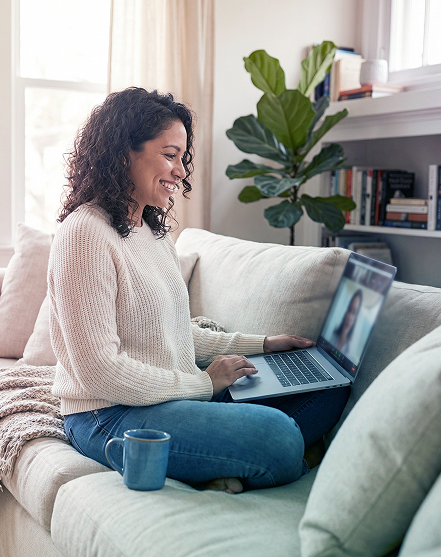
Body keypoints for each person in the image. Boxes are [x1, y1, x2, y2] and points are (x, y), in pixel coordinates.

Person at [48, 87, 350, 494]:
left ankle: (239, 464)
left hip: (172, 397)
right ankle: (282, 457)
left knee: (329, 387)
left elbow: (171, 329)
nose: (181, 172)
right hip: (109, 414)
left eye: (181, 158)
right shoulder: (84, 234)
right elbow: (100, 371)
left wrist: (261, 344)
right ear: (123, 153)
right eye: (169, 155)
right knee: (277, 437)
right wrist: (205, 385)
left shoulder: (152, 231)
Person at [330, 289, 363, 359]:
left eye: (354, 313)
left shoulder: (351, 351)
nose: (350, 317)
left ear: (356, 318)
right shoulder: (334, 335)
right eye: (350, 309)